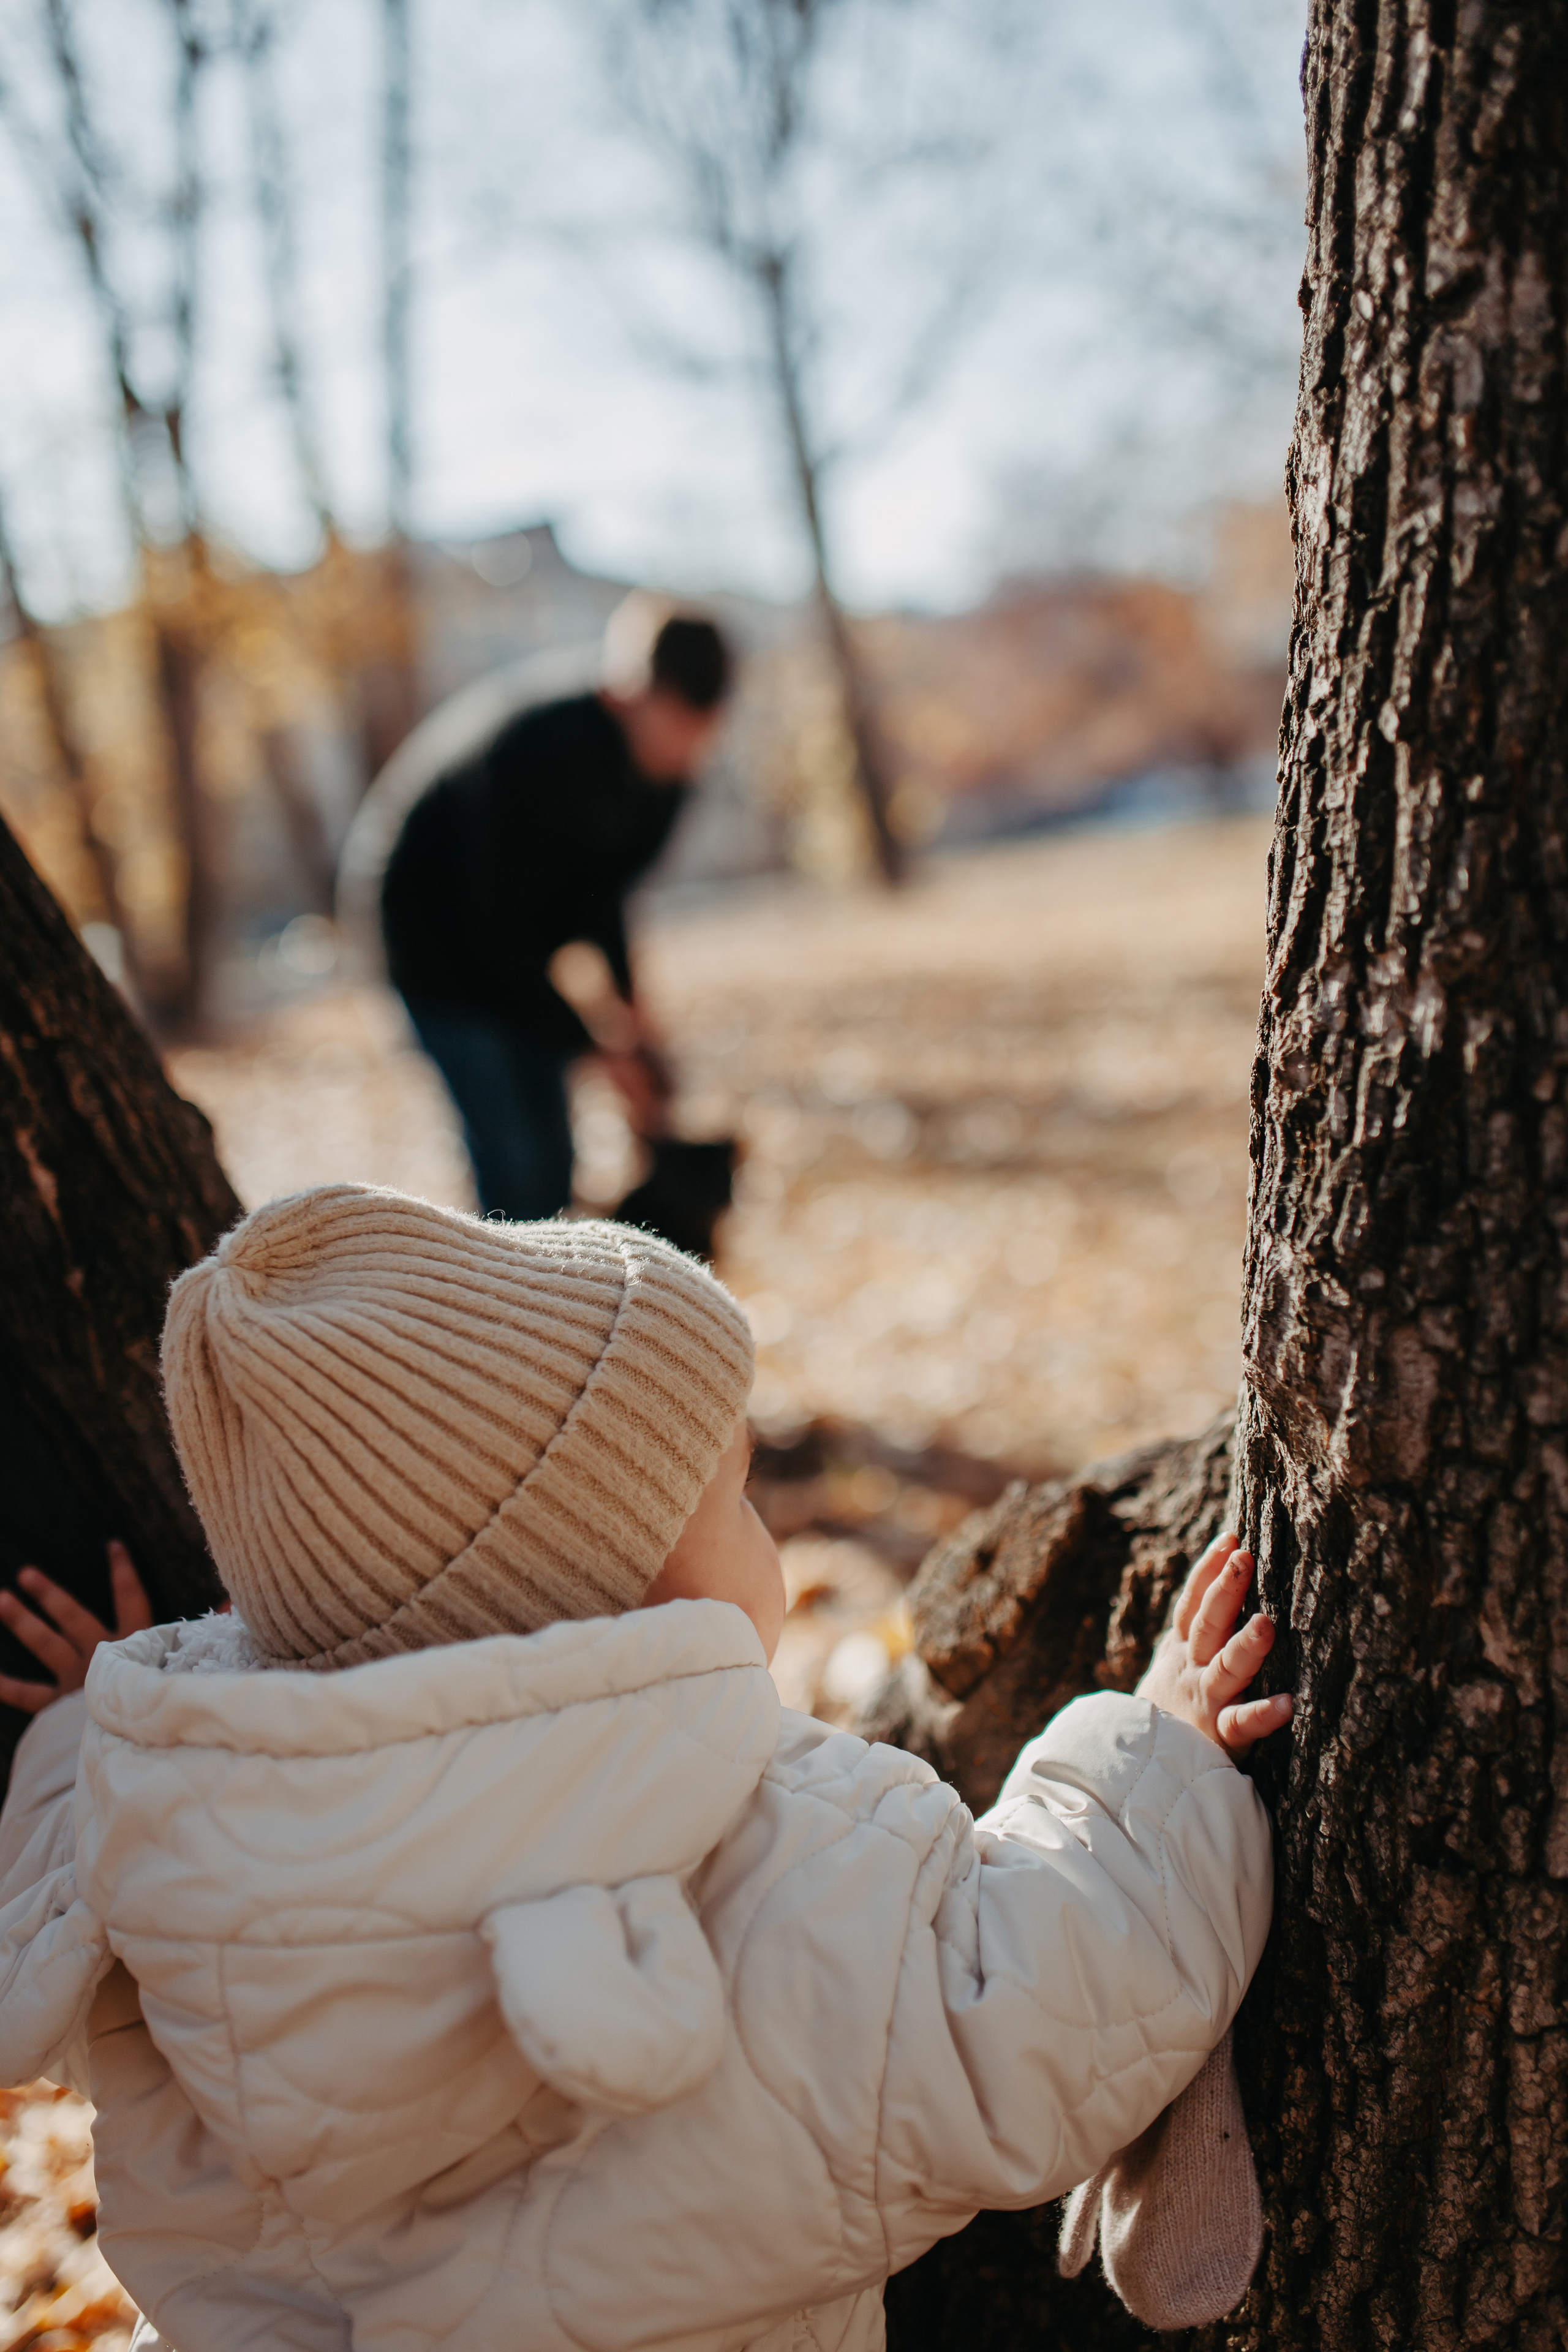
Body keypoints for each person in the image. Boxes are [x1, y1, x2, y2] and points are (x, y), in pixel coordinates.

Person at [0, 1185, 1289, 2352]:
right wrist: (1155, 1759)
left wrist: (88, 1731)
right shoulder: (762, 1860)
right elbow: (1028, 2012)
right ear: (633, 1601)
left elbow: (85, 1907)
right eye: (737, 1498)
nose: (767, 1533)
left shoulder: (175, 1857)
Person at [380, 614, 732, 1220]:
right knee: (517, 1154)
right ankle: (505, 1273)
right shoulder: (542, 750)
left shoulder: (666, 781)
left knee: (555, 1154)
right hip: (435, 944)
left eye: (700, 733)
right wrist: (596, 1049)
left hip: (510, 945)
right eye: (675, 726)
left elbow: (601, 894)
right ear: (629, 693)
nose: (684, 751)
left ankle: (541, 1262)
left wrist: (631, 1012)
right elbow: (497, 926)